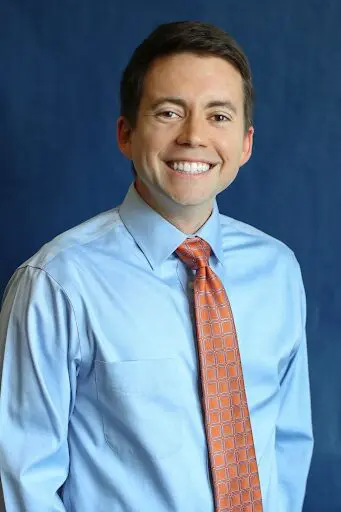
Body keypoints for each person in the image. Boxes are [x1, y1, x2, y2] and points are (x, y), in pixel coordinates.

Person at [0, 20, 313, 512]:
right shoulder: (57, 283)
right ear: (126, 133)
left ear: (246, 144)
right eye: (169, 113)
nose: (194, 137)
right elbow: (22, 480)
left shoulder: (278, 271)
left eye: (219, 117)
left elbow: (289, 444)